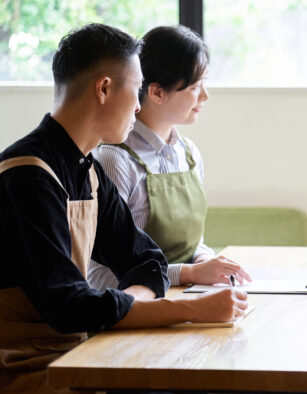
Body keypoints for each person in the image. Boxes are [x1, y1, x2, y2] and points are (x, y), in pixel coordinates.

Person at [0, 24, 247, 394]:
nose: (138, 104)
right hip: (26, 367)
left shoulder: (88, 168)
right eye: (136, 89)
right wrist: (190, 310)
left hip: (80, 353)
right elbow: (69, 307)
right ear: (104, 89)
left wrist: (123, 306)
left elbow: (148, 262)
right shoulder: (27, 175)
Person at [88, 25, 250, 289]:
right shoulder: (113, 160)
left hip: (187, 298)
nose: (205, 96)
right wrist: (190, 274)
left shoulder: (189, 154)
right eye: (195, 86)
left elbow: (193, 245)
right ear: (156, 92)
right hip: (136, 313)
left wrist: (209, 262)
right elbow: (102, 276)